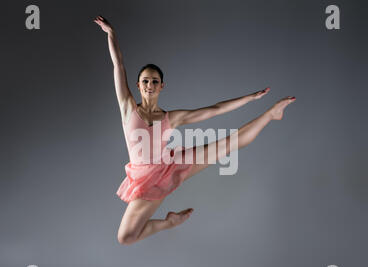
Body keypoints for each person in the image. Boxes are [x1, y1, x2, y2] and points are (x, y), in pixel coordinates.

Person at [94, 15, 296, 245]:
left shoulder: (173, 117)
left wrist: (249, 99)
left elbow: (215, 109)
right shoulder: (128, 108)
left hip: (171, 165)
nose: (150, 85)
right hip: (145, 181)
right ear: (138, 85)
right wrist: (111, 34)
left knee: (229, 144)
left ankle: (272, 114)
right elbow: (118, 65)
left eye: (155, 81)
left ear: (162, 86)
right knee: (126, 237)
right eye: (146, 81)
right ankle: (169, 223)